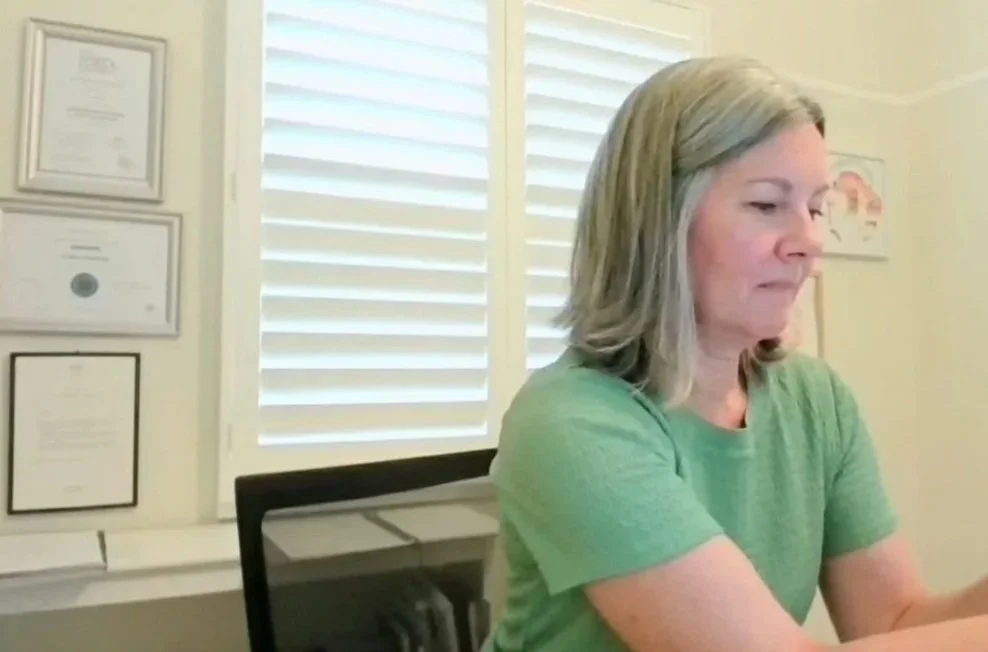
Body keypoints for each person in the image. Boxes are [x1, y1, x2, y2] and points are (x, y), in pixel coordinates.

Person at [487, 56, 988, 651]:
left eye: (815, 208)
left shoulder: (819, 401)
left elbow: (894, 622)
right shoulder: (570, 423)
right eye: (767, 205)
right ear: (659, 221)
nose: (809, 241)